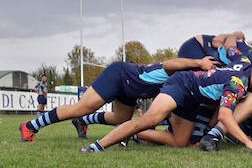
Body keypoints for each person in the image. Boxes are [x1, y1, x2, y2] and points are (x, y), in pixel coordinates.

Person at [80, 53, 252, 154]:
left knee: (179, 142)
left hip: (193, 98)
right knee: (153, 118)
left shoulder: (245, 62)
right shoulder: (238, 84)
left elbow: (229, 50)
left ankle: (129, 131)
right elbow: (224, 117)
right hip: (181, 83)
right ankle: (97, 146)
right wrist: (249, 142)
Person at [19, 57, 215, 143]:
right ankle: (30, 125)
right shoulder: (180, 72)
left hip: (130, 91)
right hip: (121, 75)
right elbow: (171, 63)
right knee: (84, 107)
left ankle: (82, 122)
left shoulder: (188, 85)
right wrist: (199, 62)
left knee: (121, 119)